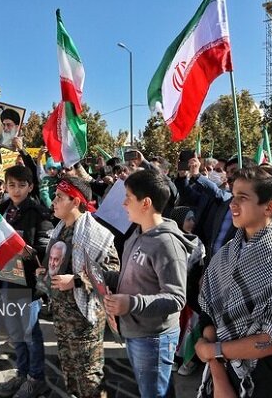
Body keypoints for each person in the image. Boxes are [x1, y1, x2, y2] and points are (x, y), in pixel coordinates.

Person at [194, 166, 272, 398]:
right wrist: (217, 371)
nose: (232, 204)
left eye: (242, 198)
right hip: (222, 372)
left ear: (271, 206)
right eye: (233, 196)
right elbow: (208, 315)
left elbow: (271, 340)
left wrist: (213, 352)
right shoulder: (226, 252)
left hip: (262, 381)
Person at [104, 169, 194, 398]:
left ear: (145, 203)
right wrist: (101, 276)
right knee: (153, 390)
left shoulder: (166, 244)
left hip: (154, 338)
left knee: (154, 393)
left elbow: (176, 298)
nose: (123, 203)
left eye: (128, 197)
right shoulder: (136, 233)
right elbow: (133, 278)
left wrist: (131, 303)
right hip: (136, 332)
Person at [40, 176, 120, 398]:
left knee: (89, 376)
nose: (53, 202)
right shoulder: (59, 229)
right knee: (70, 371)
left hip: (85, 318)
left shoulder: (97, 233)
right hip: (62, 316)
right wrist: (45, 272)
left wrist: (75, 280)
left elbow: (112, 271)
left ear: (75, 201)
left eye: (59, 197)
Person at [0, 165, 53, 398]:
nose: (16, 190)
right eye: (11, 185)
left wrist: (25, 251)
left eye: (21, 185)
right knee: (15, 333)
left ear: (30, 186)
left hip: (27, 284)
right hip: (4, 281)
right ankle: (22, 373)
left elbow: (45, 248)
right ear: (5, 186)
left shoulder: (38, 212)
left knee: (30, 334)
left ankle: (36, 378)